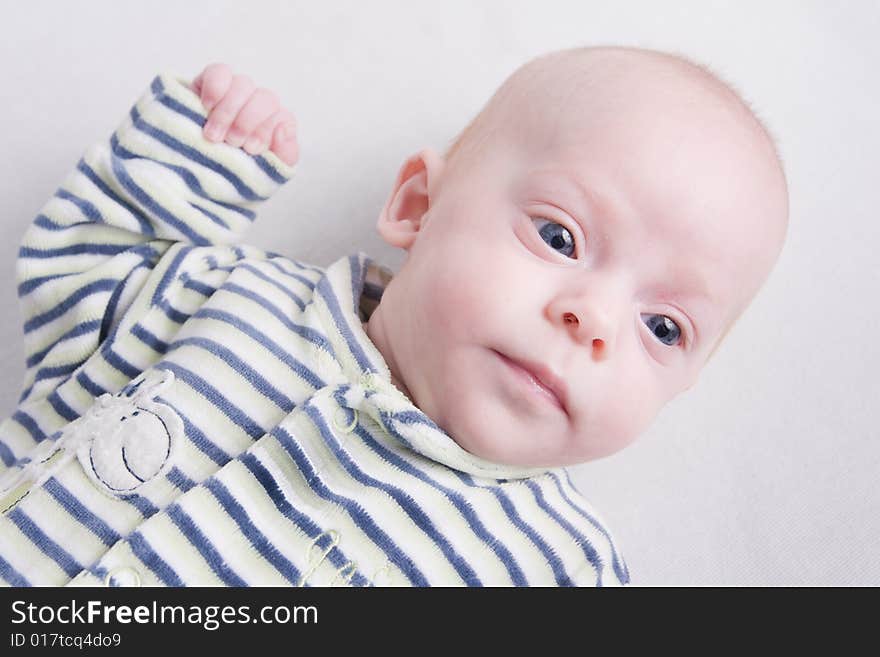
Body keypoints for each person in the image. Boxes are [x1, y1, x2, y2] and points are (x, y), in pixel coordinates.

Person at [0, 46, 788, 586]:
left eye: (665, 328)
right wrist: (195, 157)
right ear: (418, 205)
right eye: (560, 236)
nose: (596, 321)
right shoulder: (229, 298)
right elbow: (75, 272)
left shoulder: (556, 567)